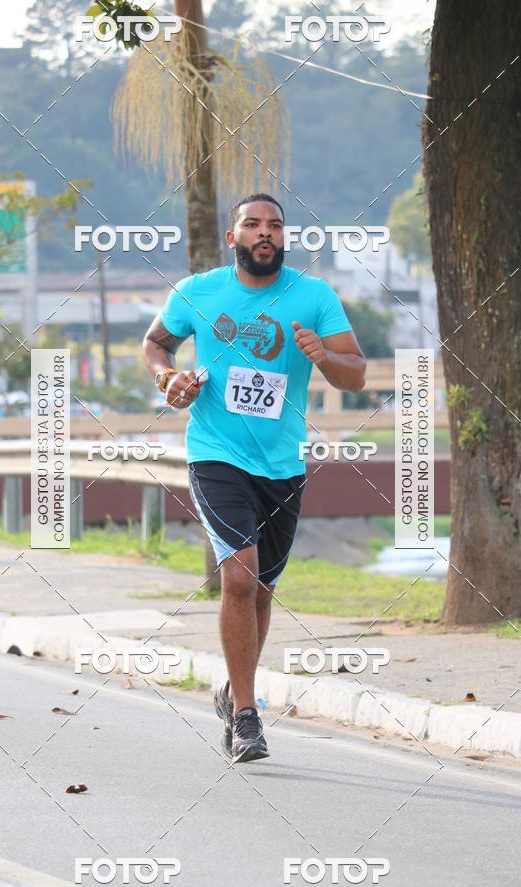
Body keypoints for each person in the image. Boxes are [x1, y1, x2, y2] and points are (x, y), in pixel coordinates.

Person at [143, 194, 366, 762]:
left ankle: (232, 691)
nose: (265, 233)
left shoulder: (314, 297)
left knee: (262, 590)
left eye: (274, 226)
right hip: (215, 453)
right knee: (239, 576)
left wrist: (323, 357)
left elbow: (356, 375)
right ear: (232, 237)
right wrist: (168, 378)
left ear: (284, 238)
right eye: (252, 224)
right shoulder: (197, 291)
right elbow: (156, 344)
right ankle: (247, 716)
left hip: (282, 464)